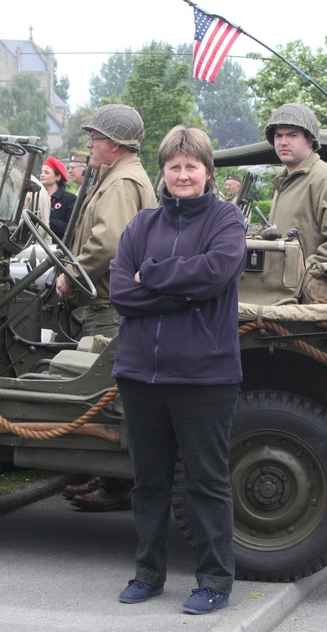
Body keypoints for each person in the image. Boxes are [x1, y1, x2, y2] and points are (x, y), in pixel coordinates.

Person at [110, 126, 246, 615]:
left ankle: (214, 581)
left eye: (191, 167)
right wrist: (179, 285)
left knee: (206, 482)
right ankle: (148, 572)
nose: (183, 175)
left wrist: (155, 274)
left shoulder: (227, 220)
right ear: (163, 173)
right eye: (174, 167)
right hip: (140, 375)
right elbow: (121, 291)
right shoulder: (141, 226)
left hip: (204, 376)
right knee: (148, 481)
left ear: (207, 172)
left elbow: (215, 273)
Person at [57, 104, 157, 512]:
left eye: (95, 138)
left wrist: (70, 275)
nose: (90, 144)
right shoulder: (121, 176)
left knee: (107, 396)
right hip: (111, 294)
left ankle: (116, 484)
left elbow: (107, 244)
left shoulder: (119, 183)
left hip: (107, 299)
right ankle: (110, 478)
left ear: (114, 144)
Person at [265, 103, 327, 301]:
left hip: (310, 297)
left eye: (292, 135)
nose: (283, 142)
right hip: (284, 293)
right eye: (278, 136)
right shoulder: (284, 181)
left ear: (310, 140)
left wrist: (306, 274)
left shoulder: (326, 180)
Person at [41, 156, 76, 240]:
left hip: (58, 248)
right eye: (41, 171)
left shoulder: (69, 199)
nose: (42, 175)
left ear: (58, 177)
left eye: (46, 172)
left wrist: (48, 223)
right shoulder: (38, 197)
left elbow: (71, 229)